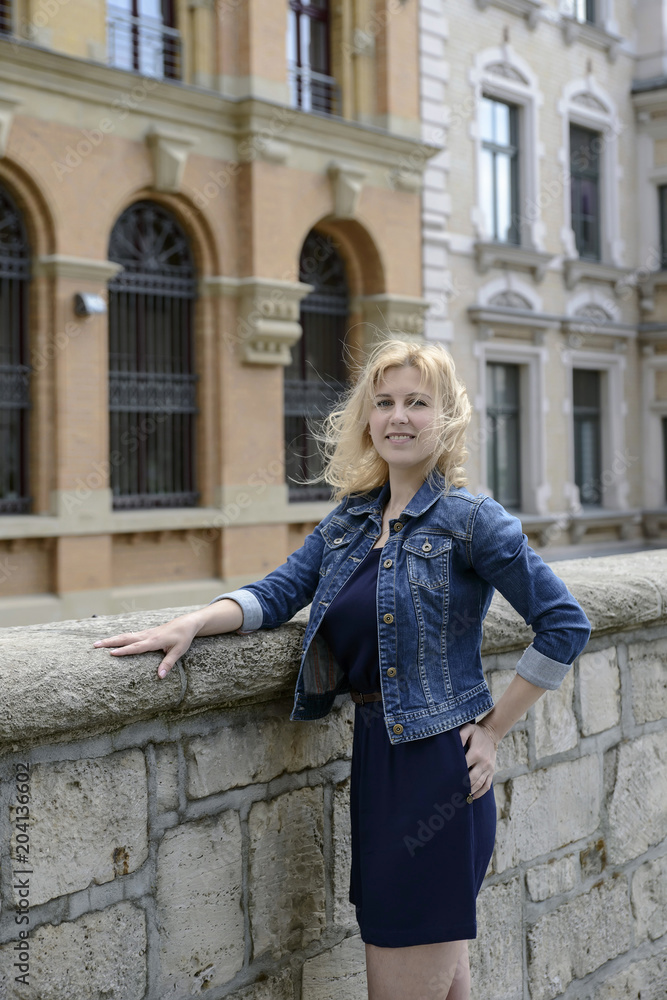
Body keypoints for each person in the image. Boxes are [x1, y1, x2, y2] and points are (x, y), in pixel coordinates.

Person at [93, 338, 592, 1000]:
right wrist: (190, 622)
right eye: (383, 402)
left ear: (446, 419)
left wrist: (494, 730)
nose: (398, 417)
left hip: (437, 772)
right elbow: (274, 595)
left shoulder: (472, 522)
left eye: (417, 402)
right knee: (444, 987)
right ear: (366, 419)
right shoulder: (350, 522)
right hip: (377, 762)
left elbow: (565, 624)